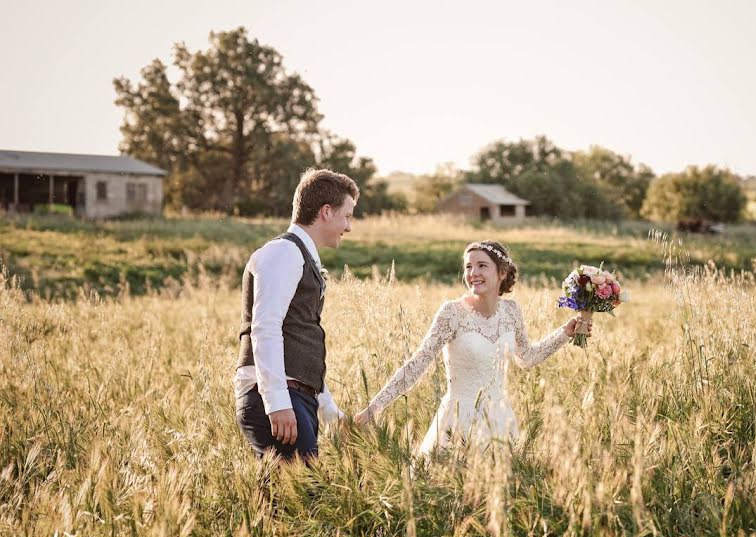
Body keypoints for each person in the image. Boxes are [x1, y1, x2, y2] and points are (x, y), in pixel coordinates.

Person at [353, 240, 590, 455]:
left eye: (482, 266)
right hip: (457, 421)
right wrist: (375, 407)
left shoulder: (511, 311)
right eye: (468, 267)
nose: (473, 273)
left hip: (499, 420)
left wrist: (564, 333)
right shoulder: (452, 313)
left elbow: (526, 358)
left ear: (502, 273)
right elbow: (419, 362)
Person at [234, 168, 358, 463]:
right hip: (279, 399)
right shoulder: (284, 253)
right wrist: (276, 402)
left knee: (289, 504)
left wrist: (331, 413)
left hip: (294, 397)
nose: (349, 227)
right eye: (347, 216)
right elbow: (265, 328)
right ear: (326, 212)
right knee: (300, 504)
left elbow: (299, 340)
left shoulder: (299, 254)